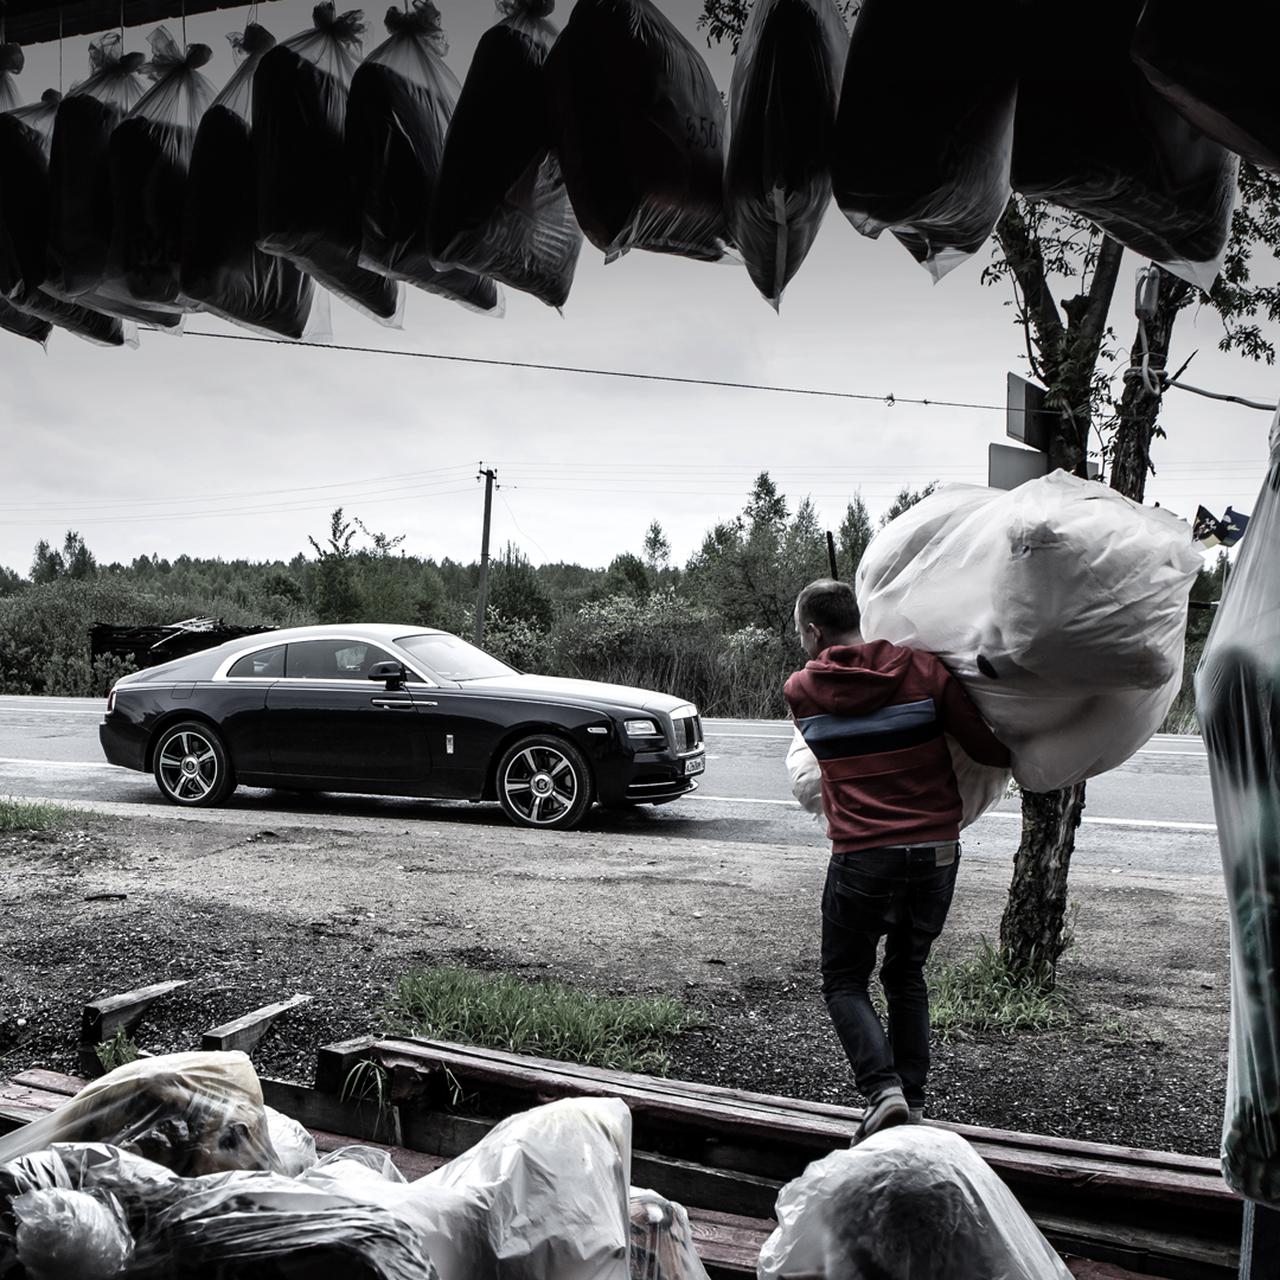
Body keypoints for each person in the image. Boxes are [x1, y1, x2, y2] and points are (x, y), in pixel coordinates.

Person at [783, 578, 1011, 1142]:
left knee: (843, 978)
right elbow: (984, 749)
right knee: (907, 973)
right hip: (936, 851)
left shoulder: (802, 690)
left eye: (800, 634)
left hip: (863, 856)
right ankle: (912, 1100)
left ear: (813, 631)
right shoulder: (924, 670)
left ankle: (882, 1091)